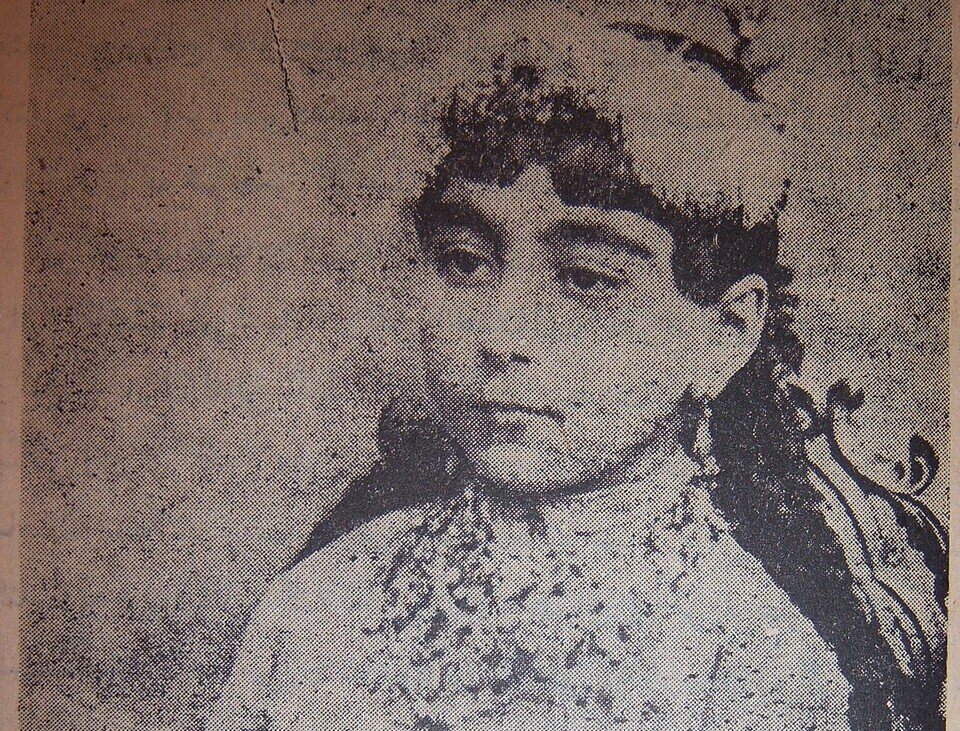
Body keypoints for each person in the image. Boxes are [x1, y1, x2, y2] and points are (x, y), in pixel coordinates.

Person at [207, 18, 946, 731]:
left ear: (725, 333)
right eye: (465, 262)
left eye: (587, 278)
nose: (501, 334)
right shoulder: (315, 619)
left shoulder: (760, 671)